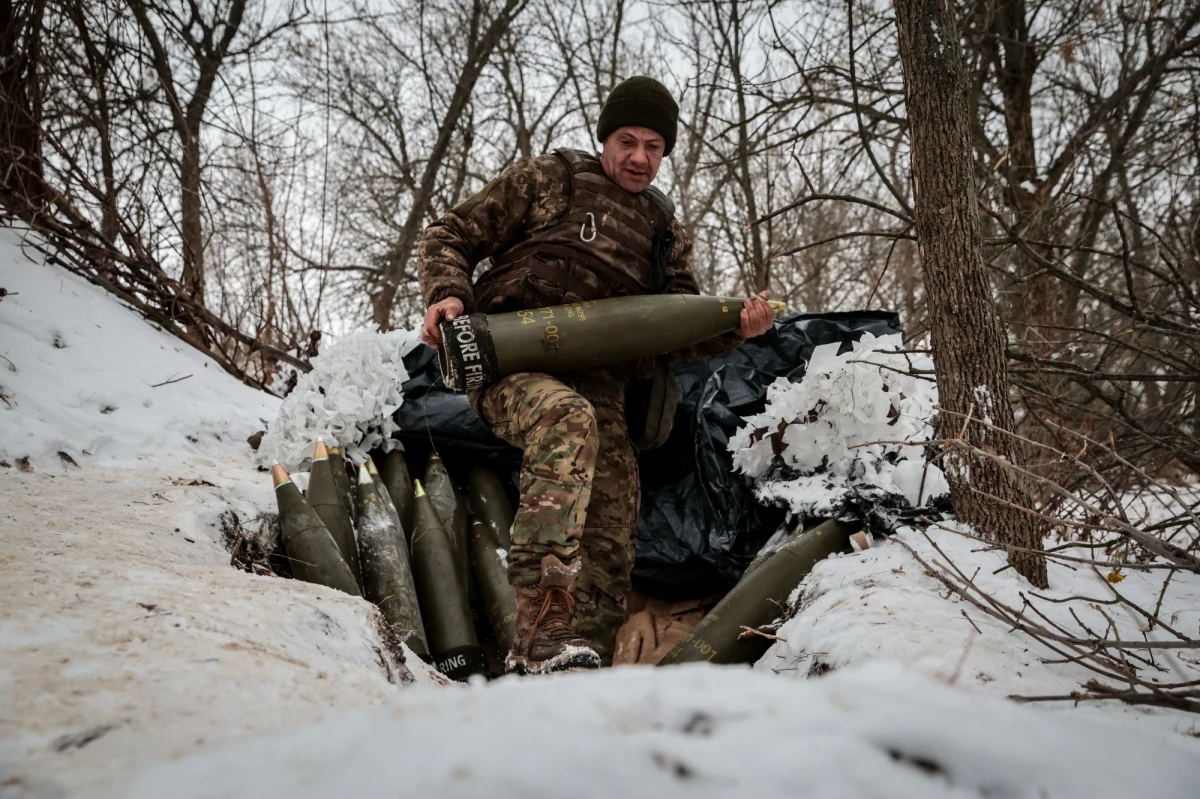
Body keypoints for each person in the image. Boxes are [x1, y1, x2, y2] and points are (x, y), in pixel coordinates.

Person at [416, 76, 776, 673]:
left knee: (612, 532)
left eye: (654, 147)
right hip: (510, 366)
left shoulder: (663, 231)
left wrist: (740, 325)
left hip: (606, 396)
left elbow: (677, 332)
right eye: (628, 141)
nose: (639, 158)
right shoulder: (549, 181)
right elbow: (449, 234)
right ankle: (537, 635)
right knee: (566, 418)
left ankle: (586, 675)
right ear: (605, 137)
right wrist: (448, 297)